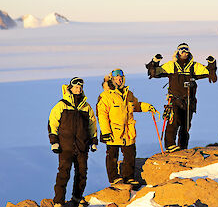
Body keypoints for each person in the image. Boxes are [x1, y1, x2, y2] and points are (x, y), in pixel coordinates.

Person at [146, 43, 217, 153]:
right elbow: (154, 72)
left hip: (189, 100)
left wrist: (211, 63)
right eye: (181, 50)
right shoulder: (172, 65)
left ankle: (183, 148)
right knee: (173, 121)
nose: (184, 52)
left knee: (186, 126)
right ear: (178, 52)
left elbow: (208, 72)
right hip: (174, 99)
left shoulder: (194, 66)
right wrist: (155, 61)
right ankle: (170, 145)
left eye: (186, 50)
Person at [96, 69, 157, 186]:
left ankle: (128, 177)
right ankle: (114, 178)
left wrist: (147, 107)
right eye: (116, 78)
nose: (119, 79)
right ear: (111, 79)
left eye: (121, 77)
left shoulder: (128, 94)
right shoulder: (106, 96)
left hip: (128, 131)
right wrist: (105, 131)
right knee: (112, 155)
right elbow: (102, 115)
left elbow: (136, 105)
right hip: (112, 131)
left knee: (130, 153)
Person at [48, 77, 98, 207]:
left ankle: (77, 198)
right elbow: (52, 123)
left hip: (82, 146)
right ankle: (58, 201)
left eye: (80, 87)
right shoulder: (61, 105)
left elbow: (92, 124)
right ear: (70, 88)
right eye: (76, 87)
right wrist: (54, 142)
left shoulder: (86, 107)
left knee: (82, 174)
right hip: (65, 147)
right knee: (63, 174)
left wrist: (93, 141)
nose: (78, 89)